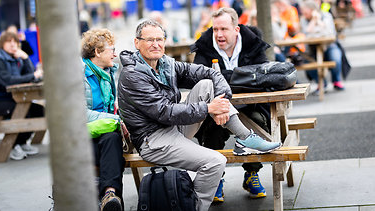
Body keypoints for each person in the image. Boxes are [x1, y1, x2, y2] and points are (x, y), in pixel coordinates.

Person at [117, 19, 281, 211]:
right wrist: (209, 109)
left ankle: (244, 138)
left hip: (174, 128)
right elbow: (164, 112)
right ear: (137, 43)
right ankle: (195, 206)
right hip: (153, 139)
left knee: (207, 84)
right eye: (149, 40)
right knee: (216, 162)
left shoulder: (165, 64)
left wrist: (220, 103)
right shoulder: (132, 75)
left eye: (160, 39)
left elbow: (211, 74)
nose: (156, 44)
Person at [191, 7, 275, 202]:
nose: (219, 34)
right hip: (217, 109)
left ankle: (252, 173)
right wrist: (241, 77)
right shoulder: (204, 47)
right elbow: (200, 80)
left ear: (236, 29)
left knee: (258, 122)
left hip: (252, 107)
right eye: (215, 29)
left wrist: (225, 78)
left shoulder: (253, 44)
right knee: (213, 127)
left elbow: (262, 76)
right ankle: (216, 178)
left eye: (224, 29)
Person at [0, 31, 43, 160]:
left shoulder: (16, 58)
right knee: (21, 111)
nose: (12, 45)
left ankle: (22, 142)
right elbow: (7, 81)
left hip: (10, 99)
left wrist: (25, 58)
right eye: (9, 42)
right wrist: (32, 76)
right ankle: (14, 145)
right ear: (2, 44)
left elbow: (31, 76)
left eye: (15, 42)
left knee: (39, 111)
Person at [81, 28, 125, 211]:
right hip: (82, 135)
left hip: (105, 132)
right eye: (112, 49)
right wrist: (115, 119)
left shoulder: (107, 74)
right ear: (97, 52)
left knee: (112, 139)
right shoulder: (80, 74)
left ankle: (109, 194)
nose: (115, 54)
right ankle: (105, 193)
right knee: (111, 144)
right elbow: (80, 113)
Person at [300, 0, 345, 92]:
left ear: (312, 9)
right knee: (306, 63)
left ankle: (336, 80)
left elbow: (329, 32)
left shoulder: (326, 16)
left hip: (329, 45)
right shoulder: (303, 19)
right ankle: (321, 83)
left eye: (305, 11)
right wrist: (313, 20)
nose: (303, 13)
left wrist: (318, 19)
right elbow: (306, 33)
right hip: (312, 48)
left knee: (336, 57)